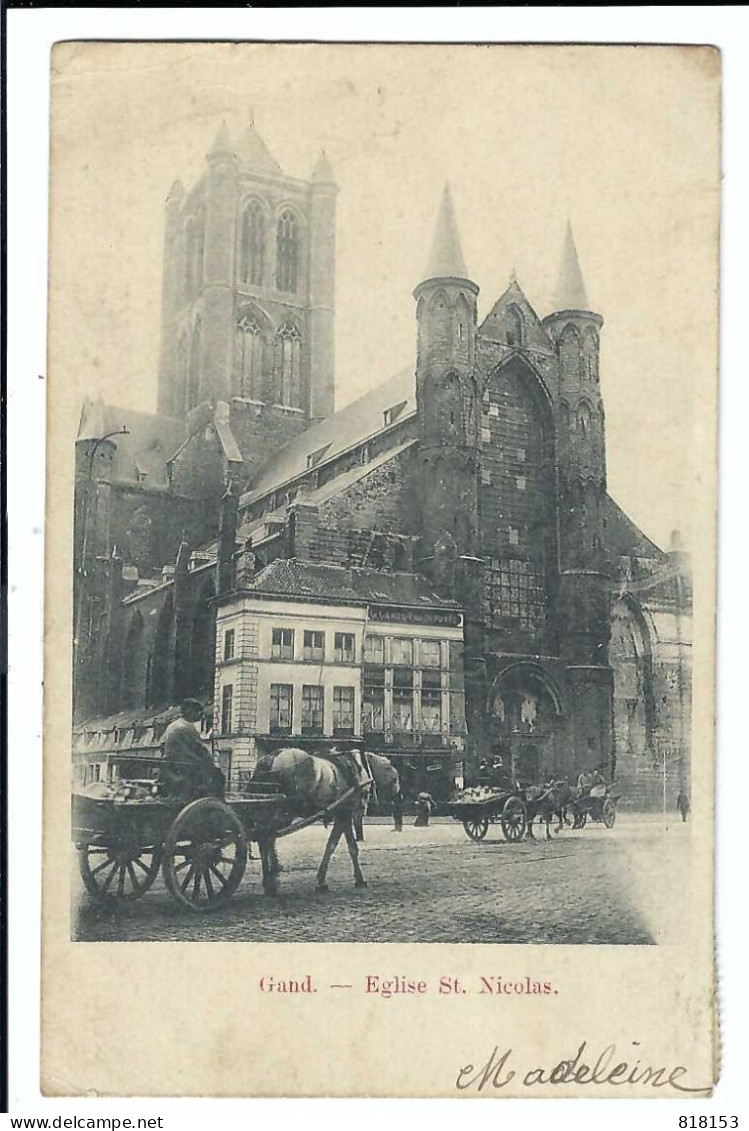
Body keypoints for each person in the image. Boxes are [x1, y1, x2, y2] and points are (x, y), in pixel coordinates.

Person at [160, 698, 224, 801]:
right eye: (197, 711)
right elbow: (200, 750)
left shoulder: (173, 725)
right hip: (184, 769)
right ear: (189, 711)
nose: (199, 715)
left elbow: (163, 746)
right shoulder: (186, 727)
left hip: (172, 768)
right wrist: (211, 764)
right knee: (217, 775)